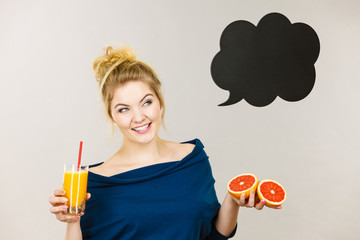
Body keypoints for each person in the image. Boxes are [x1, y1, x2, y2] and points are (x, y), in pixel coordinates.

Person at [49, 46, 279, 240]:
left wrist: (233, 199)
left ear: (160, 103)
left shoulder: (193, 158)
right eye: (123, 109)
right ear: (112, 116)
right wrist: (72, 221)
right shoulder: (92, 182)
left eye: (146, 102)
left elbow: (214, 235)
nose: (138, 117)